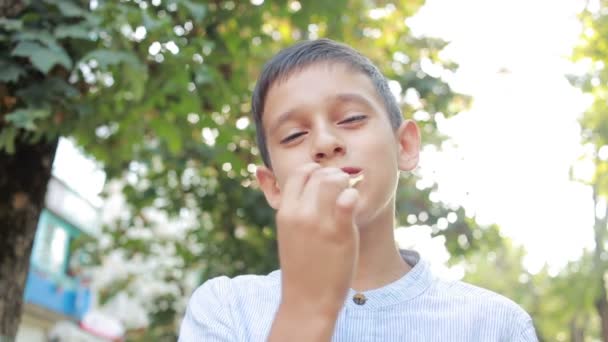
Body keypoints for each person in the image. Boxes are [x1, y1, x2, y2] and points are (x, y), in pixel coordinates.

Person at [179, 38, 538, 341]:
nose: (325, 142)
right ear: (272, 186)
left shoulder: (495, 325)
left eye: (351, 118)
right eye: (293, 135)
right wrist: (306, 307)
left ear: (405, 146)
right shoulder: (226, 308)